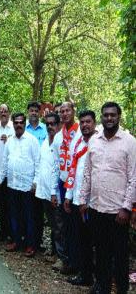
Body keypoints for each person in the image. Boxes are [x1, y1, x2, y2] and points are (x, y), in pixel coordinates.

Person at [79, 102, 136, 294]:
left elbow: (134, 176)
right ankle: (101, 286)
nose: (109, 118)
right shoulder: (94, 141)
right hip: (96, 207)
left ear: (119, 116)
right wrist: (83, 200)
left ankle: (121, 288)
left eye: (113, 115)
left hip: (118, 211)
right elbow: (88, 172)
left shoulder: (129, 142)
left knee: (120, 254)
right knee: (101, 251)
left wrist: (127, 208)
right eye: (106, 115)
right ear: (101, 118)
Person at [0, 112, 40, 257]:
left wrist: (35, 182)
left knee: (29, 216)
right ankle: (16, 241)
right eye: (16, 122)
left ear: (24, 123)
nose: (19, 125)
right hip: (12, 185)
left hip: (27, 186)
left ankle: (30, 244)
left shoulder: (32, 140)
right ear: (13, 124)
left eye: (21, 122)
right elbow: (4, 162)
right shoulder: (10, 141)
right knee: (14, 215)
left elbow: (38, 163)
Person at [62, 110, 97, 287]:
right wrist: (68, 196)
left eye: (88, 122)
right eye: (82, 122)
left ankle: (100, 278)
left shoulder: (98, 144)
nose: (85, 125)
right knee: (82, 240)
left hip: (93, 203)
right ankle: (85, 275)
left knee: (96, 242)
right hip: (77, 200)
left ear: (94, 123)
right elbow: (73, 171)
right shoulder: (78, 143)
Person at [52, 101, 81, 274]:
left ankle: (80, 263)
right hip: (63, 184)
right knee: (65, 225)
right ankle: (67, 259)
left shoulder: (81, 133)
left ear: (73, 111)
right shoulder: (58, 136)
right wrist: (54, 191)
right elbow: (56, 165)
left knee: (78, 225)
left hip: (78, 185)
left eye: (67, 110)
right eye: (61, 111)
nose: (64, 114)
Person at [34, 113, 62, 260]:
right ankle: (53, 250)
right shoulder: (45, 142)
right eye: (48, 124)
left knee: (59, 226)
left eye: (53, 124)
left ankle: (61, 256)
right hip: (44, 191)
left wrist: (54, 192)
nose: (50, 126)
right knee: (52, 223)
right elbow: (40, 165)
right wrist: (37, 184)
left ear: (58, 125)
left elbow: (58, 170)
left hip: (55, 193)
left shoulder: (60, 143)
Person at [26, 101, 47, 251]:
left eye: (36, 111)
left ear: (40, 113)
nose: (33, 113)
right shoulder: (22, 129)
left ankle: (37, 242)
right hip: (25, 176)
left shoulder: (46, 129)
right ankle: (27, 239)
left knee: (38, 212)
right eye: (31, 110)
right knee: (27, 210)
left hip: (42, 175)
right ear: (28, 112)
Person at [0, 104, 14, 241]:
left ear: (9, 113)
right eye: (1, 111)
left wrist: (8, 141)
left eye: (5, 111)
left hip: (11, 174)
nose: (3, 113)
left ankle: (12, 234)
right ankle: (2, 232)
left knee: (11, 206)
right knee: (1, 205)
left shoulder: (14, 129)